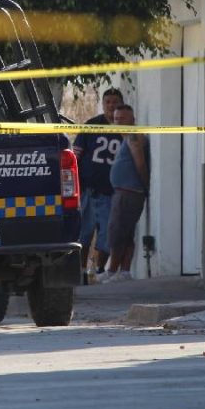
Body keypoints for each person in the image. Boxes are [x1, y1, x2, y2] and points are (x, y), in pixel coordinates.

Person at [73, 88, 124, 284]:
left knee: (106, 237)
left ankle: (100, 269)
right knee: (83, 235)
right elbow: (76, 156)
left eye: (115, 102)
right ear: (103, 105)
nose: (111, 105)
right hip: (88, 190)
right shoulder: (92, 126)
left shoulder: (125, 130)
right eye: (108, 102)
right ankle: (81, 271)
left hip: (110, 192)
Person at [99, 104, 150, 282]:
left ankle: (113, 270)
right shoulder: (127, 137)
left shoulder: (134, 136)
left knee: (116, 232)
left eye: (122, 119)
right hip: (126, 192)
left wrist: (144, 186)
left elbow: (141, 164)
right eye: (116, 119)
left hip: (129, 193)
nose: (118, 122)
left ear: (132, 120)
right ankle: (124, 272)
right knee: (125, 233)